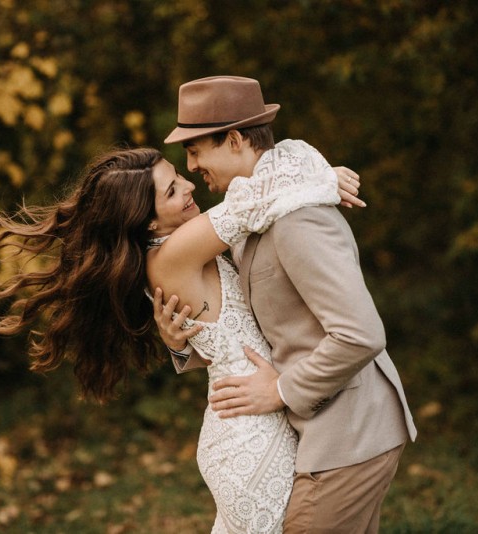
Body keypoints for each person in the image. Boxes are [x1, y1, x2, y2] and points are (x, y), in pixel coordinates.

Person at [0, 140, 362, 532]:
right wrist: (322, 177)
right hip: (250, 435)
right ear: (148, 222)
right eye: (172, 190)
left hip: (249, 418)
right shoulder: (176, 254)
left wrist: (178, 343)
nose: (189, 186)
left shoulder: (170, 254)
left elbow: (228, 329)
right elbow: (251, 203)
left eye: (177, 177)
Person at [155, 75, 417, 533]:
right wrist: (179, 344)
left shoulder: (298, 218)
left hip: (350, 431)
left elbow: (361, 334)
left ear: (234, 140)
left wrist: (279, 390)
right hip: (323, 432)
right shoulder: (261, 213)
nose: (192, 167)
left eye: (195, 151)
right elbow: (249, 329)